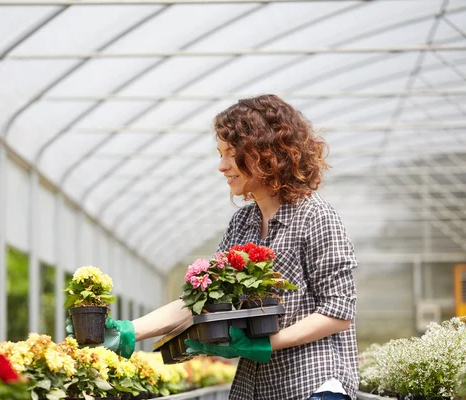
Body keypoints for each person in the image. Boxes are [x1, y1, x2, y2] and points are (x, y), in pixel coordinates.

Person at [67, 94, 359, 400]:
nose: (222, 166)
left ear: (266, 152)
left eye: (231, 154)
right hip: (258, 387)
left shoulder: (315, 215)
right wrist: (129, 331)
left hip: (314, 384)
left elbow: (338, 311)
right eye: (220, 154)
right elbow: (199, 299)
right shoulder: (242, 223)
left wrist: (266, 343)